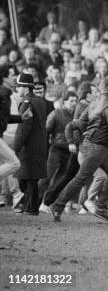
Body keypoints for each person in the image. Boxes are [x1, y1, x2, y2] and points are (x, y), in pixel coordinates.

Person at [48, 76, 108, 223]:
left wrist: (85, 132)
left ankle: (100, 206)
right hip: (98, 147)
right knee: (81, 178)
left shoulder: (95, 102)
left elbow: (82, 123)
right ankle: (58, 206)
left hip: (92, 145)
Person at [12, 73, 49, 215]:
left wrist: (16, 147)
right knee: (32, 178)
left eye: (19, 87)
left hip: (28, 146)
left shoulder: (27, 103)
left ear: (26, 88)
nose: (17, 90)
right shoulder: (40, 101)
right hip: (39, 144)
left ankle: (30, 208)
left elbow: (23, 128)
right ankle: (30, 207)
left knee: (27, 179)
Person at [0, 65, 21, 182]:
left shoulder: (6, 93)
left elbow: (5, 117)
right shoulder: (3, 93)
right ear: (4, 77)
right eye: (12, 75)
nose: (15, 77)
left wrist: (22, 117)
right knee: (14, 163)